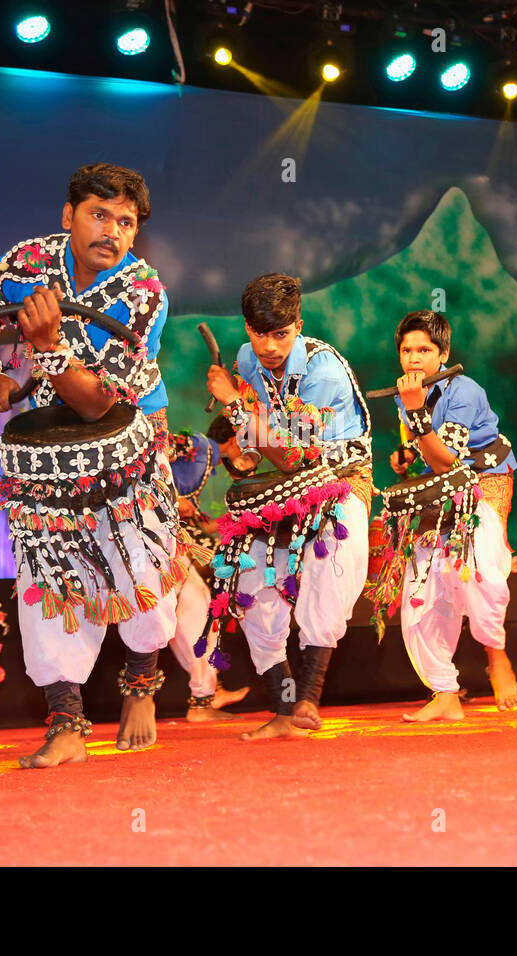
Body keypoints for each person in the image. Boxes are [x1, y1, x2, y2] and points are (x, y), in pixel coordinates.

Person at [0, 163, 185, 767]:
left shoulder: (145, 293)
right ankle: (66, 724)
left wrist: (49, 348)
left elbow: (97, 401)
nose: (111, 230)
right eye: (98, 214)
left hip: (128, 432)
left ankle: (140, 689)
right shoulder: (29, 260)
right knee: (44, 577)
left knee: (141, 569)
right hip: (46, 450)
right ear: (68, 216)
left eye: (125, 222)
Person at [204, 273, 372, 740]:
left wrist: (235, 405)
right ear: (246, 327)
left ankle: (308, 700)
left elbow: (297, 453)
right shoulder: (245, 358)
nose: (269, 345)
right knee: (249, 579)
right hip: (285, 486)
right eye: (259, 333)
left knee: (330, 570)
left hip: (339, 479)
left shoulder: (323, 371)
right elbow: (265, 441)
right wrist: (245, 452)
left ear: (298, 325)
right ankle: (282, 709)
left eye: (280, 333)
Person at [376, 311, 517, 719]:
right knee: (423, 585)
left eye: (424, 350)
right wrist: (405, 458)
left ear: (445, 353)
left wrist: (416, 411)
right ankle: (445, 693)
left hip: (485, 478)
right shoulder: (410, 396)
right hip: (438, 489)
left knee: (478, 569)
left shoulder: (465, 391)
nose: (414, 359)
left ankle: (497, 658)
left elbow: (448, 463)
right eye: (406, 350)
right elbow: (427, 457)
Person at [166, 431, 249, 721]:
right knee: (195, 612)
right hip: (160, 542)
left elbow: (202, 522)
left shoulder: (203, 452)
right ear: (234, 436)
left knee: (193, 611)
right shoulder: (199, 444)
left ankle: (206, 695)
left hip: (168, 541)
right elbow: (150, 450)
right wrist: (171, 499)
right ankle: (204, 697)